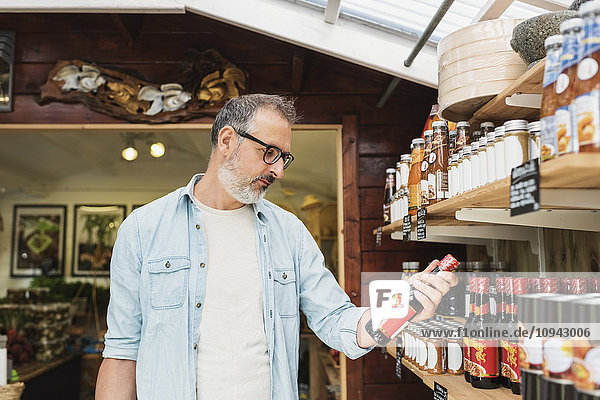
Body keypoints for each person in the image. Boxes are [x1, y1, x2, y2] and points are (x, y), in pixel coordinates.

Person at [95, 94, 457, 400]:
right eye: (270, 152)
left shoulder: (290, 232)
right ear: (226, 141)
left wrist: (399, 308)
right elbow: (122, 351)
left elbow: (334, 319)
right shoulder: (143, 229)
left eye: (285, 157)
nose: (279, 170)